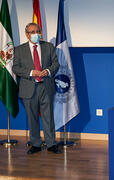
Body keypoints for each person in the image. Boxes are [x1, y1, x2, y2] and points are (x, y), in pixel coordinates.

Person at [12, 23, 61, 154]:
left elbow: (56, 64)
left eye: (37, 31)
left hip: (46, 86)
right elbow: (15, 68)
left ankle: (51, 144)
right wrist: (31, 72)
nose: (36, 34)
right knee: (32, 118)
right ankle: (36, 144)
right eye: (33, 32)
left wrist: (48, 71)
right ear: (27, 34)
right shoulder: (19, 49)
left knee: (48, 117)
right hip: (29, 88)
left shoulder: (49, 47)